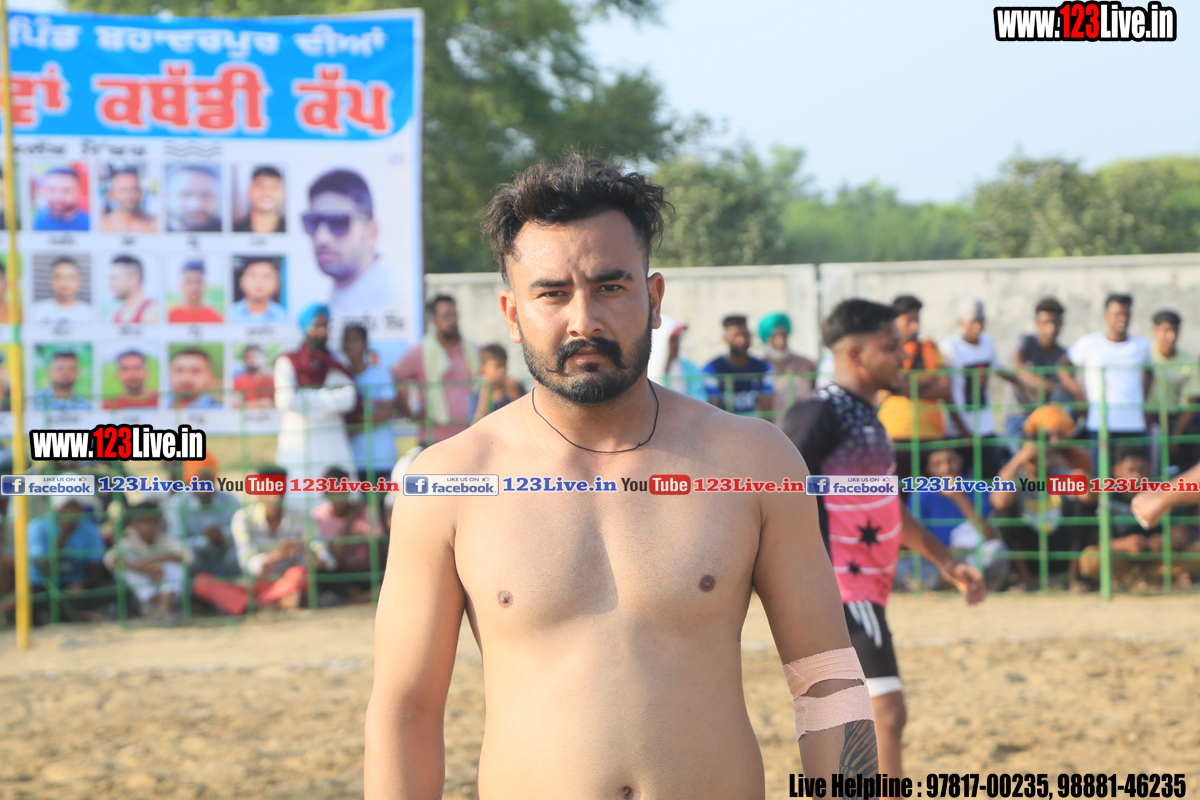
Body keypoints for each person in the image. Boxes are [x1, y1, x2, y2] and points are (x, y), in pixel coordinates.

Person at [366, 155, 880, 799]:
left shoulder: (755, 462)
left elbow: (828, 684)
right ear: (512, 313)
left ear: (654, 298)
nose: (584, 320)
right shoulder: (448, 480)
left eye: (610, 287)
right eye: (552, 293)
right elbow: (405, 709)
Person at [782, 298, 985, 780]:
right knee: (886, 714)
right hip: (841, 590)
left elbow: (885, 504)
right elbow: (777, 494)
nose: (904, 356)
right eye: (891, 346)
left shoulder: (869, 417)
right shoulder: (819, 412)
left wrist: (945, 560)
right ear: (856, 354)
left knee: (857, 722)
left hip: (863, 590)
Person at [193, 467, 333, 615]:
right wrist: (276, 556)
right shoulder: (243, 518)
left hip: (287, 581)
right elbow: (247, 563)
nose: (275, 496)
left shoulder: (301, 516)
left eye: (279, 489)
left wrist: (317, 558)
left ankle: (254, 606)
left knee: (301, 574)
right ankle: (272, 603)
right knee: (201, 582)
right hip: (253, 584)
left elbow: (321, 550)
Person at [991, 405, 1094, 591]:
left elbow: (1089, 497)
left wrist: (1066, 464)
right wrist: (1018, 461)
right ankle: (1025, 579)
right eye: (1033, 458)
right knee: (1002, 515)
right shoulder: (1015, 476)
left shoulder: (1061, 472)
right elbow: (999, 502)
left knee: (1084, 511)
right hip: (1030, 544)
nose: (1037, 462)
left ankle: (1072, 577)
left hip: (1060, 543)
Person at [1076, 447, 1200, 590]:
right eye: (1131, 470)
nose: (1137, 476)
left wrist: (1166, 542)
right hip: (1123, 560)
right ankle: (1159, 581)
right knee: (1090, 558)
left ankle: (1141, 581)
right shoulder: (1108, 496)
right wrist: (1124, 544)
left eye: (1142, 470)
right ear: (1117, 471)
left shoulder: (1163, 491)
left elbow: (1181, 534)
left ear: (1149, 468)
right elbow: (1098, 540)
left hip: (1160, 559)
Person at [898, 446, 1009, 591]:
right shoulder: (920, 494)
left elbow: (989, 535)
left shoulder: (977, 486)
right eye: (938, 464)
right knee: (901, 567)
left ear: (960, 461)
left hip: (970, 556)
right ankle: (964, 580)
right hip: (936, 559)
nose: (946, 468)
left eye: (951, 461)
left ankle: (953, 580)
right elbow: (914, 538)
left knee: (997, 549)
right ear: (929, 469)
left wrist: (959, 498)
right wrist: (944, 555)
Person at [304, 169, 403, 326]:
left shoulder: (395, 302)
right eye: (313, 221)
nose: (321, 237)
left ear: (371, 232)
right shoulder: (331, 299)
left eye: (338, 222)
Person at [877, 295, 953, 493]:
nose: (915, 326)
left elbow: (944, 388)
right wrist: (928, 381)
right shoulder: (882, 351)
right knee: (896, 494)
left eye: (917, 319)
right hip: (895, 436)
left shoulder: (929, 349)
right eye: (909, 320)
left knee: (933, 495)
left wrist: (903, 385)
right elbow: (889, 384)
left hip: (931, 436)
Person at [1065, 294, 1153, 464]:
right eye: (1117, 314)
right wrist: (1079, 395)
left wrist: (1142, 402)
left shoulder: (1141, 345)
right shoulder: (1089, 343)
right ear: (1105, 316)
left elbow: (1150, 374)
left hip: (1133, 424)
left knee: (1133, 476)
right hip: (1100, 423)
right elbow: (1063, 367)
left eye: (1126, 314)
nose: (1122, 319)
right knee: (1101, 475)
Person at [275, 304, 359, 480]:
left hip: (332, 438)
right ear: (306, 328)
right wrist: (329, 398)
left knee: (337, 487)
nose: (322, 331)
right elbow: (285, 401)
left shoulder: (337, 360)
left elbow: (349, 398)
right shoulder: (288, 361)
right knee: (299, 486)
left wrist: (305, 397)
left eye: (325, 325)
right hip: (298, 438)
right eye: (317, 326)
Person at [940, 298, 1017, 482]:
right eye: (972, 321)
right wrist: (962, 428)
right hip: (958, 428)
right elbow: (945, 390)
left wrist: (1027, 386)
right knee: (957, 480)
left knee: (990, 478)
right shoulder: (950, 347)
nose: (977, 326)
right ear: (961, 322)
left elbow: (998, 368)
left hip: (985, 425)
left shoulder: (988, 343)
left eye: (980, 320)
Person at [391, 294, 480, 444]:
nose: (452, 320)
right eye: (446, 316)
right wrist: (410, 413)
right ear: (433, 320)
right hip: (433, 439)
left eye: (454, 315)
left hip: (471, 436)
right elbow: (394, 379)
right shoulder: (420, 352)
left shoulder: (473, 351)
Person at [27, 496, 112, 623]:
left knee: (112, 587)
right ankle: (77, 615)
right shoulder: (37, 526)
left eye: (76, 507)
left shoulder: (90, 529)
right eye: (67, 507)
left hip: (76, 588)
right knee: (29, 593)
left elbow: (96, 571)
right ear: (56, 508)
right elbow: (45, 570)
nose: (72, 512)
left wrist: (82, 585)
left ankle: (64, 615)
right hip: (45, 586)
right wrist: (65, 535)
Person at [1006, 297, 1077, 443]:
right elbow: (1017, 364)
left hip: (1047, 421)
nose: (1051, 328)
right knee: (1028, 451)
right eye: (1046, 323)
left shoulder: (1065, 356)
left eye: (1055, 322)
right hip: (1019, 416)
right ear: (1037, 324)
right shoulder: (1026, 341)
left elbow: (1066, 390)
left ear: (1061, 324)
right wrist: (1044, 385)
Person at [310, 466, 383, 604]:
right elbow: (335, 558)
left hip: (366, 570)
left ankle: (354, 598)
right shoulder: (318, 516)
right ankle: (363, 597)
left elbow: (379, 548)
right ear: (325, 493)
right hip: (339, 572)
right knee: (320, 570)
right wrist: (350, 520)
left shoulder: (365, 512)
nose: (339, 494)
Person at [104, 500, 185, 620]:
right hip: (145, 592)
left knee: (175, 567)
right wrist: (140, 568)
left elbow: (186, 555)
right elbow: (110, 559)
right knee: (125, 570)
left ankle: (164, 607)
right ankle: (161, 606)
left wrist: (151, 563)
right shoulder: (128, 541)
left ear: (159, 521)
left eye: (151, 521)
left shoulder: (166, 539)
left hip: (166, 587)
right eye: (141, 521)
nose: (147, 526)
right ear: (133, 524)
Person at [167, 456, 241, 578]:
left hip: (225, 560)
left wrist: (222, 534)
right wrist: (205, 540)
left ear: (214, 479)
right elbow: (176, 542)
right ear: (188, 481)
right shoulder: (178, 503)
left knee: (238, 555)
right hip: (197, 563)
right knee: (187, 556)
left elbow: (242, 536)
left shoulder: (230, 500)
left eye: (207, 480)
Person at [342, 325, 397, 483]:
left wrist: (352, 422)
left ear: (365, 345)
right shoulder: (340, 376)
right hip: (353, 461)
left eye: (355, 339)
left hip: (382, 458)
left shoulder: (380, 373)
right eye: (346, 340)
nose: (349, 344)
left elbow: (385, 412)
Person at [1146, 310, 1200, 471]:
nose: (1171, 336)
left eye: (1175, 330)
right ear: (1155, 331)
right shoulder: (1145, 354)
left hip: (1175, 418)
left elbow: (1191, 403)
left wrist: (1174, 439)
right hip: (1147, 417)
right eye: (1166, 330)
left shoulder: (1189, 361)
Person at [704, 314, 774, 414]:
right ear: (725, 338)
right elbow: (714, 410)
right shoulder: (712, 369)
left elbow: (767, 411)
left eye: (745, 335)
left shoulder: (763, 367)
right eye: (735, 335)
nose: (741, 340)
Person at [759, 311, 816, 421]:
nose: (780, 341)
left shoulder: (806, 364)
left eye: (783, 335)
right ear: (767, 338)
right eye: (774, 336)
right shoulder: (759, 366)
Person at [470, 343, 525, 421]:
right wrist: (485, 395)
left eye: (504, 365)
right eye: (497, 366)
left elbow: (526, 415)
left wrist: (515, 396)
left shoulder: (517, 388)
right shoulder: (476, 395)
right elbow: (475, 425)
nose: (502, 370)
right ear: (483, 368)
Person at [31, 257, 91, 324]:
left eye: (69, 277)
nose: (64, 282)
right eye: (58, 277)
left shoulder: (90, 314)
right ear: (51, 280)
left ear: (78, 281)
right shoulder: (35, 311)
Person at [230, 257, 287, 323]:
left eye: (266, 276)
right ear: (242, 281)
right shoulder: (229, 315)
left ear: (276, 283)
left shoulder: (285, 317)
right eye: (253, 275)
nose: (259, 281)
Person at [166, 164, 221, 232]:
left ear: (217, 199)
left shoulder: (230, 228)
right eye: (185, 194)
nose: (196, 205)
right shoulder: (155, 231)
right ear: (167, 196)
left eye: (206, 195)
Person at [100, 167, 156, 233]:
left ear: (141, 192)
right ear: (113, 193)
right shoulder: (103, 226)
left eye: (134, 189)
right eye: (124, 190)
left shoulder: (155, 225)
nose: (130, 195)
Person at [33, 166, 89, 231]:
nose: (58, 196)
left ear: (78, 191)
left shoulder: (90, 224)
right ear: (44, 191)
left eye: (66, 190)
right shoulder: (37, 220)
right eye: (52, 190)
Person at [168, 259, 224, 323]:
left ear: (205, 285)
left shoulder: (218, 320)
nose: (194, 287)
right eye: (188, 281)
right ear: (181, 285)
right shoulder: (169, 318)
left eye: (198, 281)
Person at [233, 165, 285, 233]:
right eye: (260, 184)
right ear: (249, 190)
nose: (267, 192)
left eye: (274, 185)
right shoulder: (234, 230)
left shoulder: (294, 229)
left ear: (283, 192)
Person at [108, 254, 158, 324]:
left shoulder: (153, 312)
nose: (110, 284)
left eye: (114, 278)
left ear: (134, 279)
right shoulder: (118, 315)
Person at [232, 344, 276, 408]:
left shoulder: (274, 378)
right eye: (247, 357)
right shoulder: (238, 380)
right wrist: (259, 403)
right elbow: (235, 405)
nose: (251, 360)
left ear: (265, 357)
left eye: (254, 356)